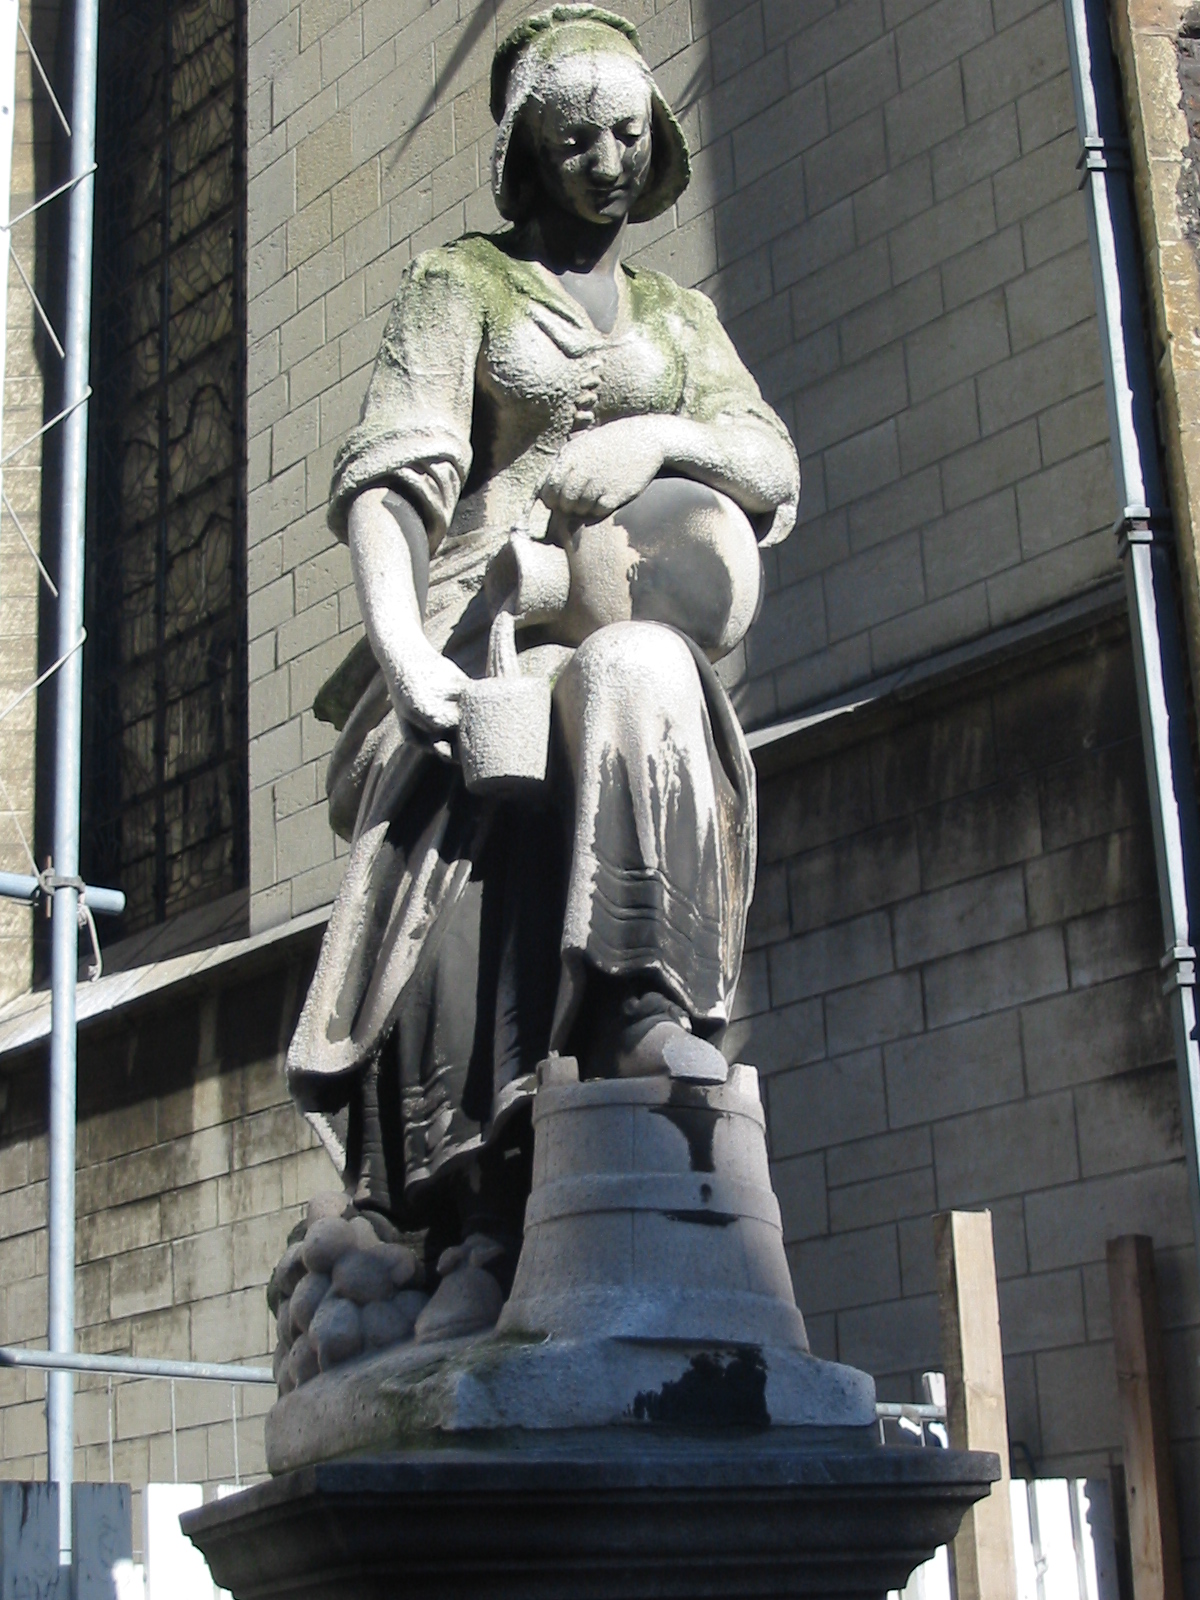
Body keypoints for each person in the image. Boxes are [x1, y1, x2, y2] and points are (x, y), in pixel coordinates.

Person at [285, 4, 800, 1341]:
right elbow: (392, 482)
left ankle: (640, 1006)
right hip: (481, 632)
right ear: (530, 152)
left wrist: (657, 444)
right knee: (495, 825)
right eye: (578, 142)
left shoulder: (680, 318)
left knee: (640, 673)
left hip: (620, 615)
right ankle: (483, 1205)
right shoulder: (462, 283)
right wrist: (408, 655)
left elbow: (768, 461)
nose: (608, 163)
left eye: (628, 133)